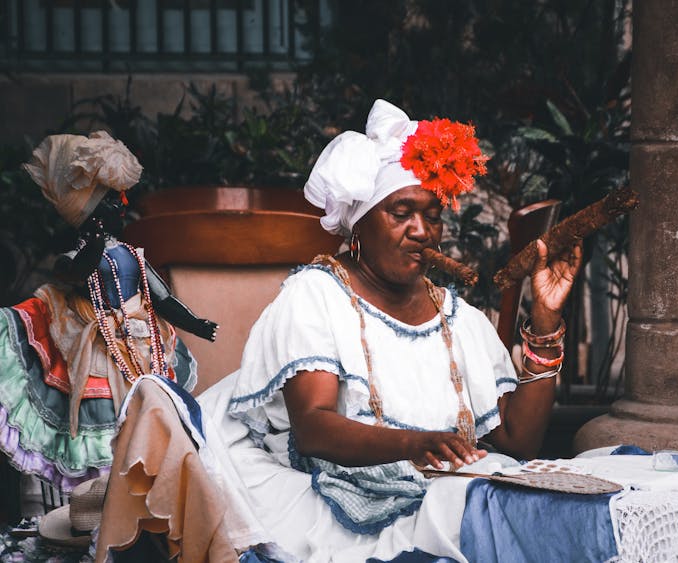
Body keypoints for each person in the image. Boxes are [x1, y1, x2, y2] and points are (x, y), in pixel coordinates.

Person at [198, 99, 582, 562]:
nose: (422, 230)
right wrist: (412, 444)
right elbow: (314, 429)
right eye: (401, 212)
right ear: (359, 224)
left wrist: (544, 319)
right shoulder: (315, 298)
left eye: (433, 214)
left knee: (549, 511)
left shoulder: (458, 320)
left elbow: (519, 441)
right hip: (339, 503)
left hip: (440, 492)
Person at [0, 131, 217, 493]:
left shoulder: (131, 254)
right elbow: (72, 274)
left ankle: (148, 478)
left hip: (143, 343)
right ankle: (99, 486)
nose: (122, 205)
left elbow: (161, 298)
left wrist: (194, 322)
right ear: (88, 209)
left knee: (153, 405)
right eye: (111, 201)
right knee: (101, 412)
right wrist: (93, 250)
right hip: (97, 345)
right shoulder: (74, 257)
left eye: (120, 199)